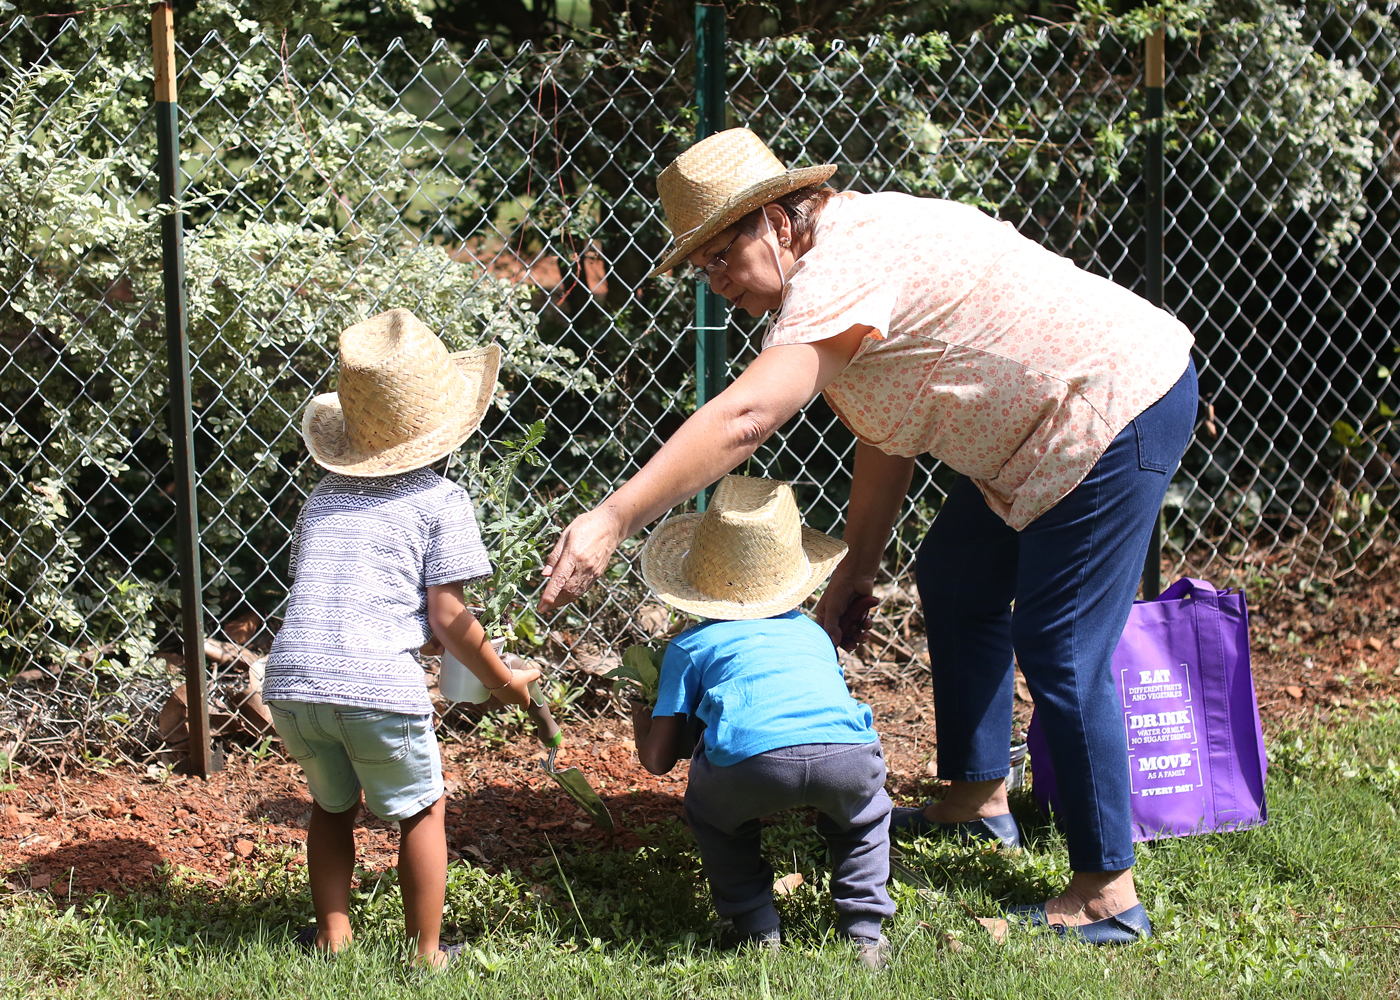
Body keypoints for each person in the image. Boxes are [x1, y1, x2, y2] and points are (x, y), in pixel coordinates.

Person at [540, 128, 1197, 944]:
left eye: (720, 258)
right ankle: (975, 801)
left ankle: (1106, 894)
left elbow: (745, 418)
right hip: (1033, 436)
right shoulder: (836, 263)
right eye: (702, 269)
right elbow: (888, 431)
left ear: (778, 223)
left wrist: (615, 514)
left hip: (1108, 405)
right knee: (957, 578)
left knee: (1060, 644)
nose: (716, 285)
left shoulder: (839, 270)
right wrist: (857, 566)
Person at [263, 308, 540, 966]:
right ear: (447, 428)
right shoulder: (440, 500)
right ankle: (425, 953)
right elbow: (448, 619)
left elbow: (336, 595)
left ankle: (332, 936)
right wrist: (505, 683)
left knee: (332, 806)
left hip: (293, 683)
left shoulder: (322, 499)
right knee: (422, 809)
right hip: (376, 688)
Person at [631, 475, 894, 969]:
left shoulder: (689, 647)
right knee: (863, 819)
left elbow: (658, 760)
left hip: (751, 767)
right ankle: (865, 932)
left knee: (717, 818)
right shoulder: (815, 634)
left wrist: (641, 719)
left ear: (695, 585)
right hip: (846, 754)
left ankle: (754, 925)